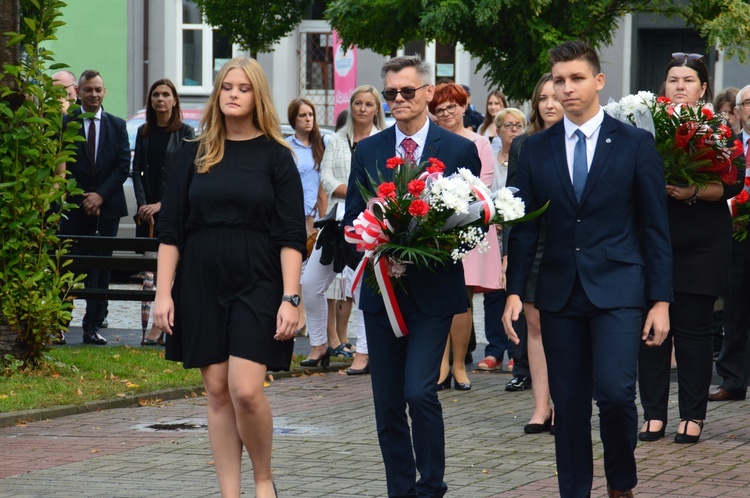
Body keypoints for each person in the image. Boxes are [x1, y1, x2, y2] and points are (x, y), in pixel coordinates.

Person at [502, 40, 672, 498]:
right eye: (559, 80)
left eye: (576, 79)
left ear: (598, 81)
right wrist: (514, 291)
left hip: (619, 289)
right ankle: (573, 491)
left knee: (616, 395)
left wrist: (661, 300)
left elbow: (655, 228)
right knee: (570, 405)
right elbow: (520, 228)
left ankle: (621, 484)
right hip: (558, 292)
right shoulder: (533, 149)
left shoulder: (635, 144)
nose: (566, 89)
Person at [153, 57, 305, 498]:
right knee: (216, 390)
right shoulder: (193, 153)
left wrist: (291, 298)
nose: (234, 94)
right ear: (217, 95)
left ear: (258, 96)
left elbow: (292, 234)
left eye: (244, 88)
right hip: (201, 277)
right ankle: (229, 493)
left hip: (258, 277)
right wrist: (164, 293)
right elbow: (171, 230)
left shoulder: (278, 157)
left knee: (245, 390)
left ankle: (263, 482)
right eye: (227, 87)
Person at [342, 55, 481, 498]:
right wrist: (378, 245)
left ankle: (431, 485)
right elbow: (351, 220)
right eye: (390, 94)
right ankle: (400, 490)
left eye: (406, 91)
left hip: (433, 295)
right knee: (386, 404)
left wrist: (419, 252)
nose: (397, 100)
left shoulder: (458, 149)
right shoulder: (368, 150)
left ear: (427, 93)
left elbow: (471, 226)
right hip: (381, 292)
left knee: (420, 391)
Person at [638, 54, 744, 447]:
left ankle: (692, 416)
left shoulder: (720, 129)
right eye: (672, 79)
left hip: (702, 238)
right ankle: (652, 415)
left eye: (688, 79)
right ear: (663, 86)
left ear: (703, 88)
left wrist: (693, 190)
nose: (680, 85)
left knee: (694, 330)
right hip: (653, 236)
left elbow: (732, 185)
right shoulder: (644, 126)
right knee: (649, 331)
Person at [304, 85, 387, 374]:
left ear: (377, 109)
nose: (362, 108)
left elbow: (381, 186)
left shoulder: (383, 141)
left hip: (368, 223)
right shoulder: (336, 140)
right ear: (351, 107)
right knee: (310, 283)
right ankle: (319, 345)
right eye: (358, 103)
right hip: (335, 221)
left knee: (364, 290)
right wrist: (353, 191)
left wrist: (356, 195)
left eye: (368, 104)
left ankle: (363, 352)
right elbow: (325, 178)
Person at [427, 82, 498, 392]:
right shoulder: (432, 143)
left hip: (470, 227)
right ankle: (440, 363)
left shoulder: (480, 143)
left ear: (463, 106)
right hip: (436, 230)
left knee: (463, 299)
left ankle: (459, 363)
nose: (446, 114)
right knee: (438, 297)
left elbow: (482, 187)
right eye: (439, 110)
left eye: (451, 107)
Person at [504, 74, 564, 435]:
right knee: (536, 328)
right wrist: (509, 257)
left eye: (555, 97)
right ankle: (541, 407)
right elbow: (513, 205)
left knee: (566, 328)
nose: (550, 104)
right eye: (543, 98)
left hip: (570, 243)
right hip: (533, 242)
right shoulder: (523, 146)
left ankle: (565, 402)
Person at [59, 69, 130, 345]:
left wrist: (99, 196)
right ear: (79, 92)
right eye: (89, 90)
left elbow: (122, 166)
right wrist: (83, 197)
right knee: (69, 266)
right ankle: (60, 324)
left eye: (99, 89)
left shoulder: (117, 125)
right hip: (75, 208)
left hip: (107, 208)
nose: (94, 95)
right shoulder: (67, 123)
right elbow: (63, 163)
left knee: (101, 270)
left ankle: (93, 326)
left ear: (105, 92)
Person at [132, 78, 195, 346]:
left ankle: (165, 327)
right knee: (151, 274)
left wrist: (162, 205)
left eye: (165, 94)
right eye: (156, 94)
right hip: (147, 215)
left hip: (174, 211)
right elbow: (136, 172)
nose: (160, 99)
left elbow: (186, 175)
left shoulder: (186, 132)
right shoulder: (144, 132)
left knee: (173, 270)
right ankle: (154, 324)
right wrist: (144, 204)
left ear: (174, 100)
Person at [710, 84, 750, 403]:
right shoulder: (728, 149)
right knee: (734, 310)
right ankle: (733, 379)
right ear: (737, 112)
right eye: (748, 103)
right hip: (735, 237)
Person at [285, 98, 333, 366]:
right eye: (302, 115)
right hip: (294, 215)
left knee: (313, 276)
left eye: (311, 114)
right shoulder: (287, 146)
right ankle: (301, 320)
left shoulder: (323, 143)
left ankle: (321, 334)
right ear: (293, 119)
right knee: (298, 271)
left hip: (317, 217)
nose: (308, 119)